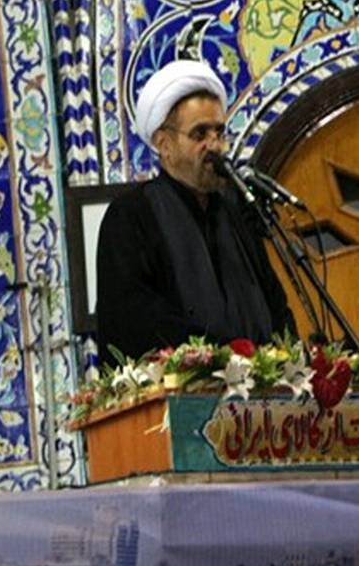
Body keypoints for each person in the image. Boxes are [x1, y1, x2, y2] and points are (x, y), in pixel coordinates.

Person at [95, 60, 295, 361]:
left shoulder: (237, 211)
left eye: (219, 133)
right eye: (199, 134)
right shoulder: (132, 216)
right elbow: (135, 322)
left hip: (260, 385)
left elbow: (275, 307)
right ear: (164, 144)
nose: (214, 145)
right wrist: (221, 357)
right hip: (184, 387)